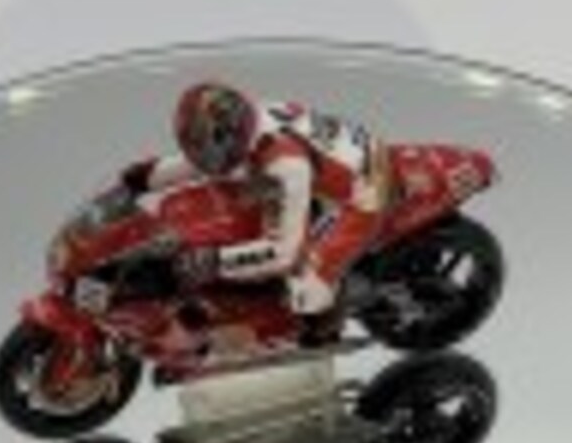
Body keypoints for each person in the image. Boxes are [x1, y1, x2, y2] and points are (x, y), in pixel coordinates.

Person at [117, 81, 391, 343]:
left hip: (362, 192)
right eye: (196, 147)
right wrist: (143, 178)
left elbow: (283, 253)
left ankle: (324, 329)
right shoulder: (248, 123)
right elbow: (203, 156)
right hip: (330, 160)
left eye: (210, 148)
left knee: (305, 287)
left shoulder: (283, 162)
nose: (207, 159)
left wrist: (214, 260)